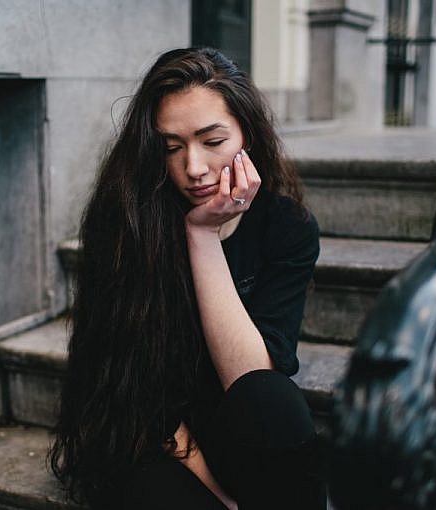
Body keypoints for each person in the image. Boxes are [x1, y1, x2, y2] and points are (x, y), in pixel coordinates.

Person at [49, 47, 324, 510]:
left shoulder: (286, 227)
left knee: (273, 400)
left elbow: (252, 380)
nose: (193, 168)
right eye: (171, 148)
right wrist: (221, 499)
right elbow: (135, 393)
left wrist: (203, 236)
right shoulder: (129, 221)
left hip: (231, 423)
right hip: (141, 432)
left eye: (212, 141)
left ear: (247, 135)